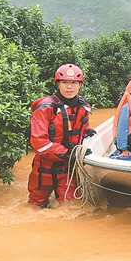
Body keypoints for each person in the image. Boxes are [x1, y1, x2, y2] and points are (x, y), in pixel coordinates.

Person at [27, 64, 96, 208]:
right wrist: (67, 154)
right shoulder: (46, 108)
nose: (69, 87)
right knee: (35, 206)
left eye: (73, 83)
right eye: (64, 82)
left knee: (70, 206)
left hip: (67, 169)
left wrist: (86, 131)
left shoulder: (82, 106)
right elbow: (39, 141)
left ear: (80, 85)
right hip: (43, 168)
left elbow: (75, 127)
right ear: (57, 83)